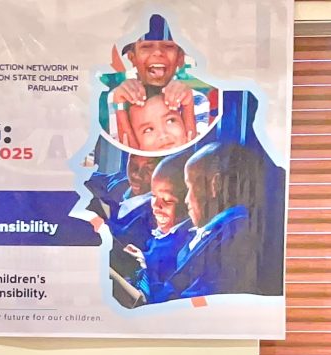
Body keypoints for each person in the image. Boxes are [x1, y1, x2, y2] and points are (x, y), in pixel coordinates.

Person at [148, 142, 261, 303]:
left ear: (216, 185)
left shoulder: (233, 234)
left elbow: (195, 300)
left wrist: (149, 279)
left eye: (189, 187)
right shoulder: (218, 230)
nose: (186, 200)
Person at [107, 14, 212, 146]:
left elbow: (194, 149)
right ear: (132, 58)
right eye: (146, 46)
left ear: (180, 58)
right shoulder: (118, 97)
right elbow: (125, 150)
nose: (158, 52)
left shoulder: (197, 99)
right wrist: (120, 105)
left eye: (168, 46)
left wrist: (188, 105)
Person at [124, 151, 192, 300]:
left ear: (188, 202)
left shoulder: (185, 245)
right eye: (153, 196)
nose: (156, 206)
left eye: (167, 200)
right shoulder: (159, 233)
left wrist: (145, 265)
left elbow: (167, 294)